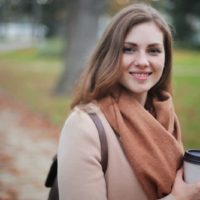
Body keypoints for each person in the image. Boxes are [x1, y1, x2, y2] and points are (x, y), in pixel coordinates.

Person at [57, 3, 200, 200]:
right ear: (110, 55)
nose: (143, 61)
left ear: (165, 58)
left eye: (153, 50)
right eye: (129, 49)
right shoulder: (83, 127)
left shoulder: (165, 117)